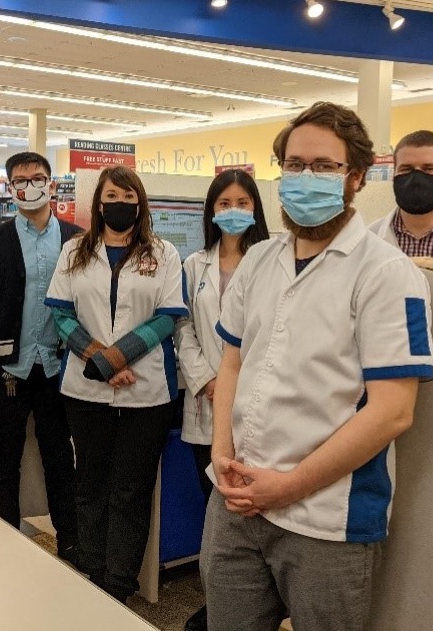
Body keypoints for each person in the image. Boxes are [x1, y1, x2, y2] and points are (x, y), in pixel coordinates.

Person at [201, 102, 433, 631]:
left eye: (324, 166)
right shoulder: (261, 260)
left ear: (356, 177)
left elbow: (393, 412)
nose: (306, 177)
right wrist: (221, 457)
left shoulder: (387, 273)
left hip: (328, 518)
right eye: (294, 164)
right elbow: (233, 362)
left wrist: (286, 487)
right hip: (236, 503)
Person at [45, 165, 188, 604]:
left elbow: (168, 317)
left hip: (147, 391)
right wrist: (100, 359)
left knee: (131, 489)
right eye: (112, 196)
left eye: (128, 197)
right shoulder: (75, 251)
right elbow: (60, 313)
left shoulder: (163, 253)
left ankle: (119, 583)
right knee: (90, 482)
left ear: (140, 204)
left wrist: (117, 357)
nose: (120, 204)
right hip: (85, 390)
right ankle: (92, 570)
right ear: (99, 203)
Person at [0, 151, 82, 565]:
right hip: (8, 373)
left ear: (51, 184)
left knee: (60, 459)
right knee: (4, 460)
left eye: (37, 178)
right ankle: (5, 543)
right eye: (20, 180)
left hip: (57, 369)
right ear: (10, 187)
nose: (29, 186)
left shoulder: (76, 239)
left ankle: (71, 543)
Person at [175, 168, 269, 631]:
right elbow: (183, 327)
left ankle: (252, 600)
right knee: (214, 506)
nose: (234, 211)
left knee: (250, 506)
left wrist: (238, 386)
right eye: (225, 203)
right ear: (211, 211)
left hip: (257, 402)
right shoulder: (194, 265)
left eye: (243, 203)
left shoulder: (271, 261)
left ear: (256, 209)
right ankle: (218, 600)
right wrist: (208, 380)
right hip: (206, 402)